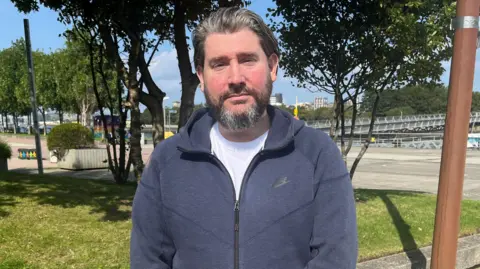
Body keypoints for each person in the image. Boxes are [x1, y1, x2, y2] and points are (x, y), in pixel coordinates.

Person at [130, 7, 358, 269]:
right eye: (219, 64)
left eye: (248, 60)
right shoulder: (167, 161)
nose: (235, 78)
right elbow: (148, 260)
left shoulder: (317, 155)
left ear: (272, 66)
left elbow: (334, 260)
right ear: (202, 77)